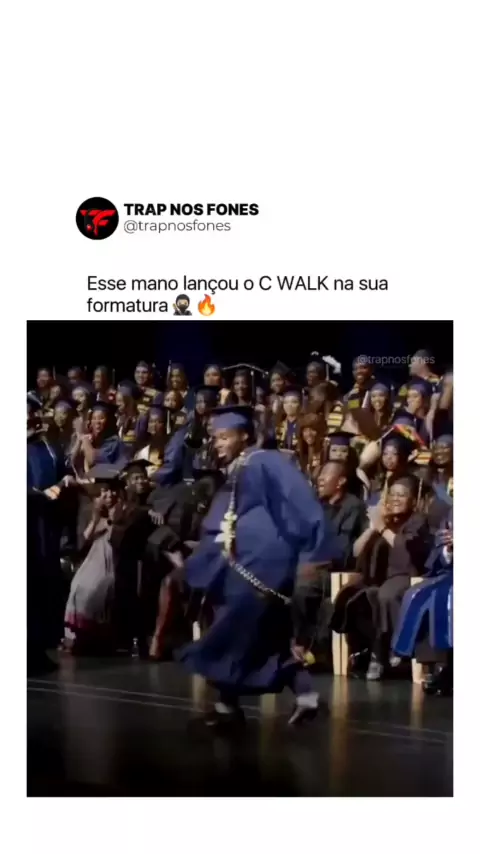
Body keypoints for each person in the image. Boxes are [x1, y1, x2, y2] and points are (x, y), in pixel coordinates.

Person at [177, 404, 339, 727]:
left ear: (244, 435)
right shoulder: (240, 468)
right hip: (244, 561)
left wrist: (313, 550)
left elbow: (300, 499)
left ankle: (228, 706)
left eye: (225, 437)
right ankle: (304, 695)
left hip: (261, 563)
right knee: (260, 633)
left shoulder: (264, 460)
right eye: (216, 438)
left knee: (232, 629)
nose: (218, 444)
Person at [63, 466, 124, 653]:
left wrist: (112, 520)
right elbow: (82, 542)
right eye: (104, 490)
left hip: (112, 560)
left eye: (112, 490)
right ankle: (78, 636)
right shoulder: (89, 510)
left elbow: (118, 539)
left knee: (97, 588)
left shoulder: (123, 510)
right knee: (78, 586)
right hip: (90, 559)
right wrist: (96, 518)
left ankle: (96, 637)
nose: (109, 495)